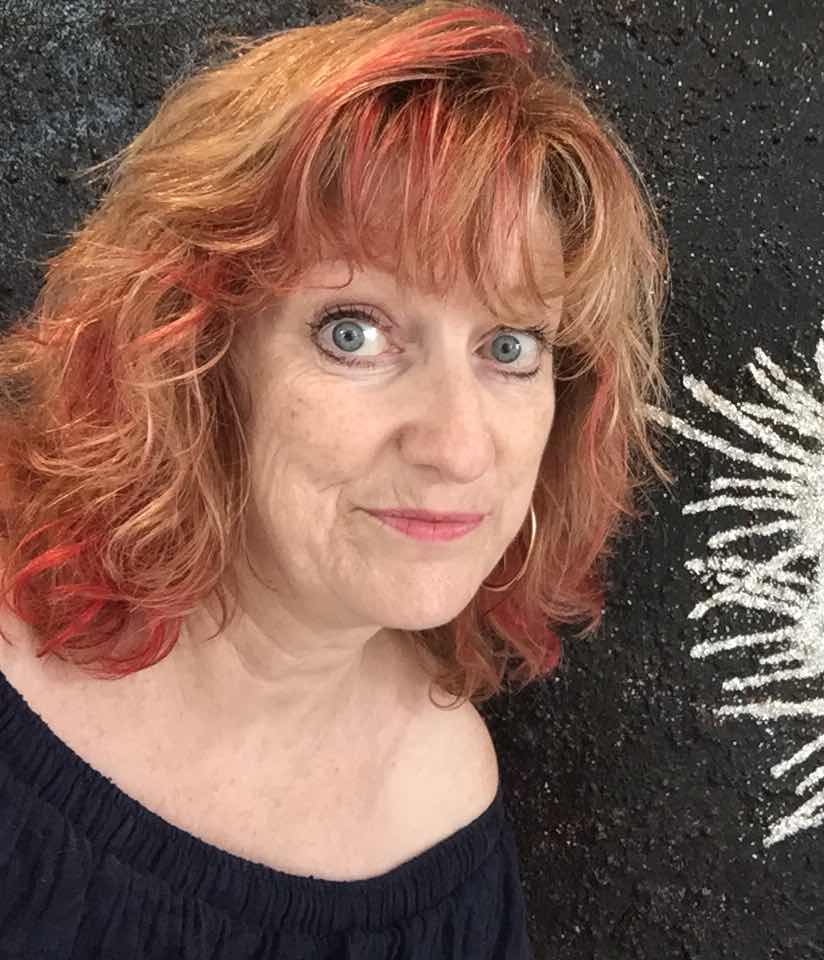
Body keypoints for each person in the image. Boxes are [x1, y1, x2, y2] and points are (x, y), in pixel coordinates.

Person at [0, 0, 668, 955]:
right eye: (353, 333)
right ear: (193, 356)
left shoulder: (440, 809)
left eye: (509, 347)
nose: (458, 448)